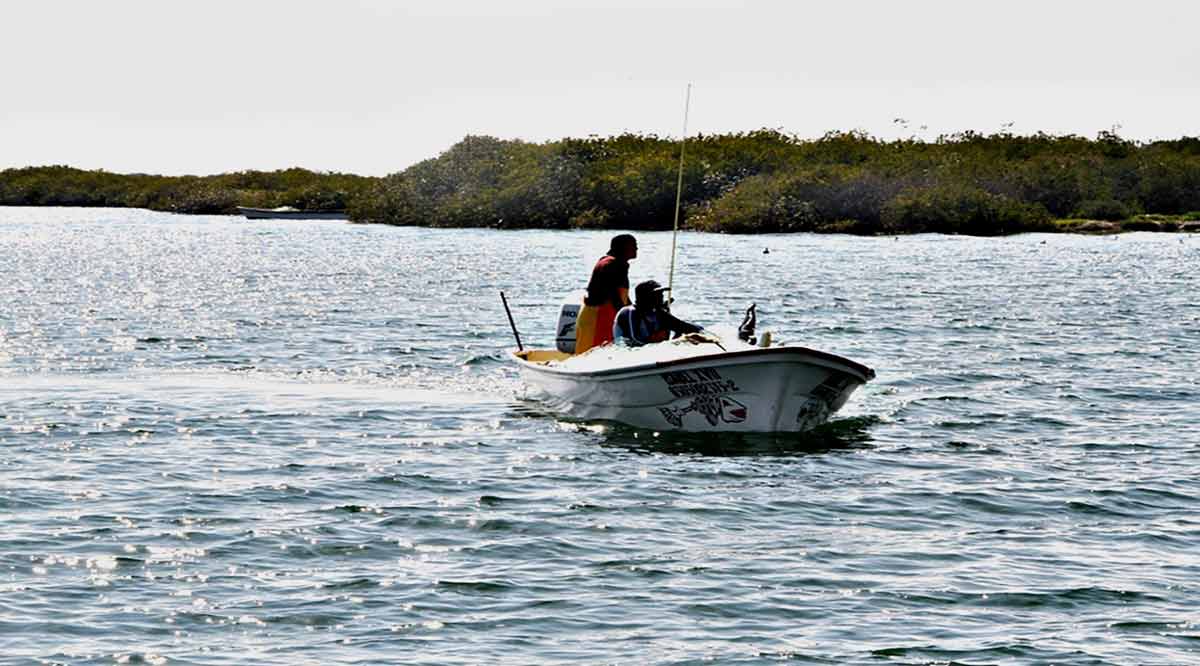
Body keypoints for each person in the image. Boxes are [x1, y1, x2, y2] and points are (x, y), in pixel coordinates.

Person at [574, 234, 637, 354]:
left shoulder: (612, 262)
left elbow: (621, 296)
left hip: (601, 316)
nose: (636, 249)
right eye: (634, 246)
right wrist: (626, 319)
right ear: (623, 248)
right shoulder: (612, 265)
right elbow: (614, 295)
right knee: (590, 356)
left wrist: (632, 311)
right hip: (598, 319)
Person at [613, 280, 703, 347]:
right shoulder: (628, 312)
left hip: (653, 352)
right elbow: (635, 340)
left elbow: (684, 327)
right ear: (646, 297)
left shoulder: (658, 313)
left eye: (661, 294)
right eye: (658, 294)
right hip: (629, 355)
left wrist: (701, 333)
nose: (662, 297)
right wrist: (672, 344)